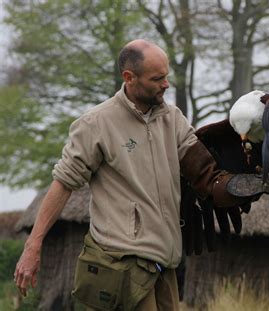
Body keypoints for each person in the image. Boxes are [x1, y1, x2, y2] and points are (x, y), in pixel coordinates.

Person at [14, 39, 256, 310]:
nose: (166, 84)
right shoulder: (97, 124)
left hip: (165, 265)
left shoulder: (172, 118)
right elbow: (63, 184)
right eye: (157, 78)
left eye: (166, 76)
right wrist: (33, 246)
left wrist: (244, 184)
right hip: (122, 266)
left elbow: (205, 175)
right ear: (129, 78)